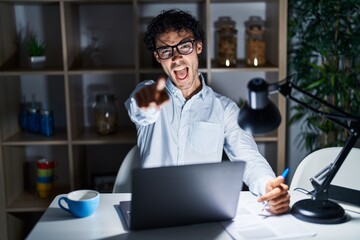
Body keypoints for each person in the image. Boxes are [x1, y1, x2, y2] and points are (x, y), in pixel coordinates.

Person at [125, 9, 290, 214]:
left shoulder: (225, 109)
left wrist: (268, 185)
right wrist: (145, 105)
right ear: (158, 57)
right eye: (166, 51)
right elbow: (139, 110)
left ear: (198, 47)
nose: (176, 58)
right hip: (152, 207)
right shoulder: (147, 92)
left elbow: (249, 158)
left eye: (184, 46)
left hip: (201, 210)